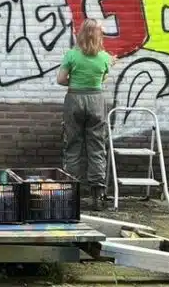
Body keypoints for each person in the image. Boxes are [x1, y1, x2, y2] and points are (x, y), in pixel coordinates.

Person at [56, 18, 117, 210]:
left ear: (81, 34)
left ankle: (71, 195)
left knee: (73, 146)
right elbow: (101, 79)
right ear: (99, 36)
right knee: (97, 147)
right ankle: (97, 196)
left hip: (74, 99)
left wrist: (74, 81)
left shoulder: (71, 55)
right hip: (96, 101)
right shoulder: (105, 57)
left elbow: (60, 80)